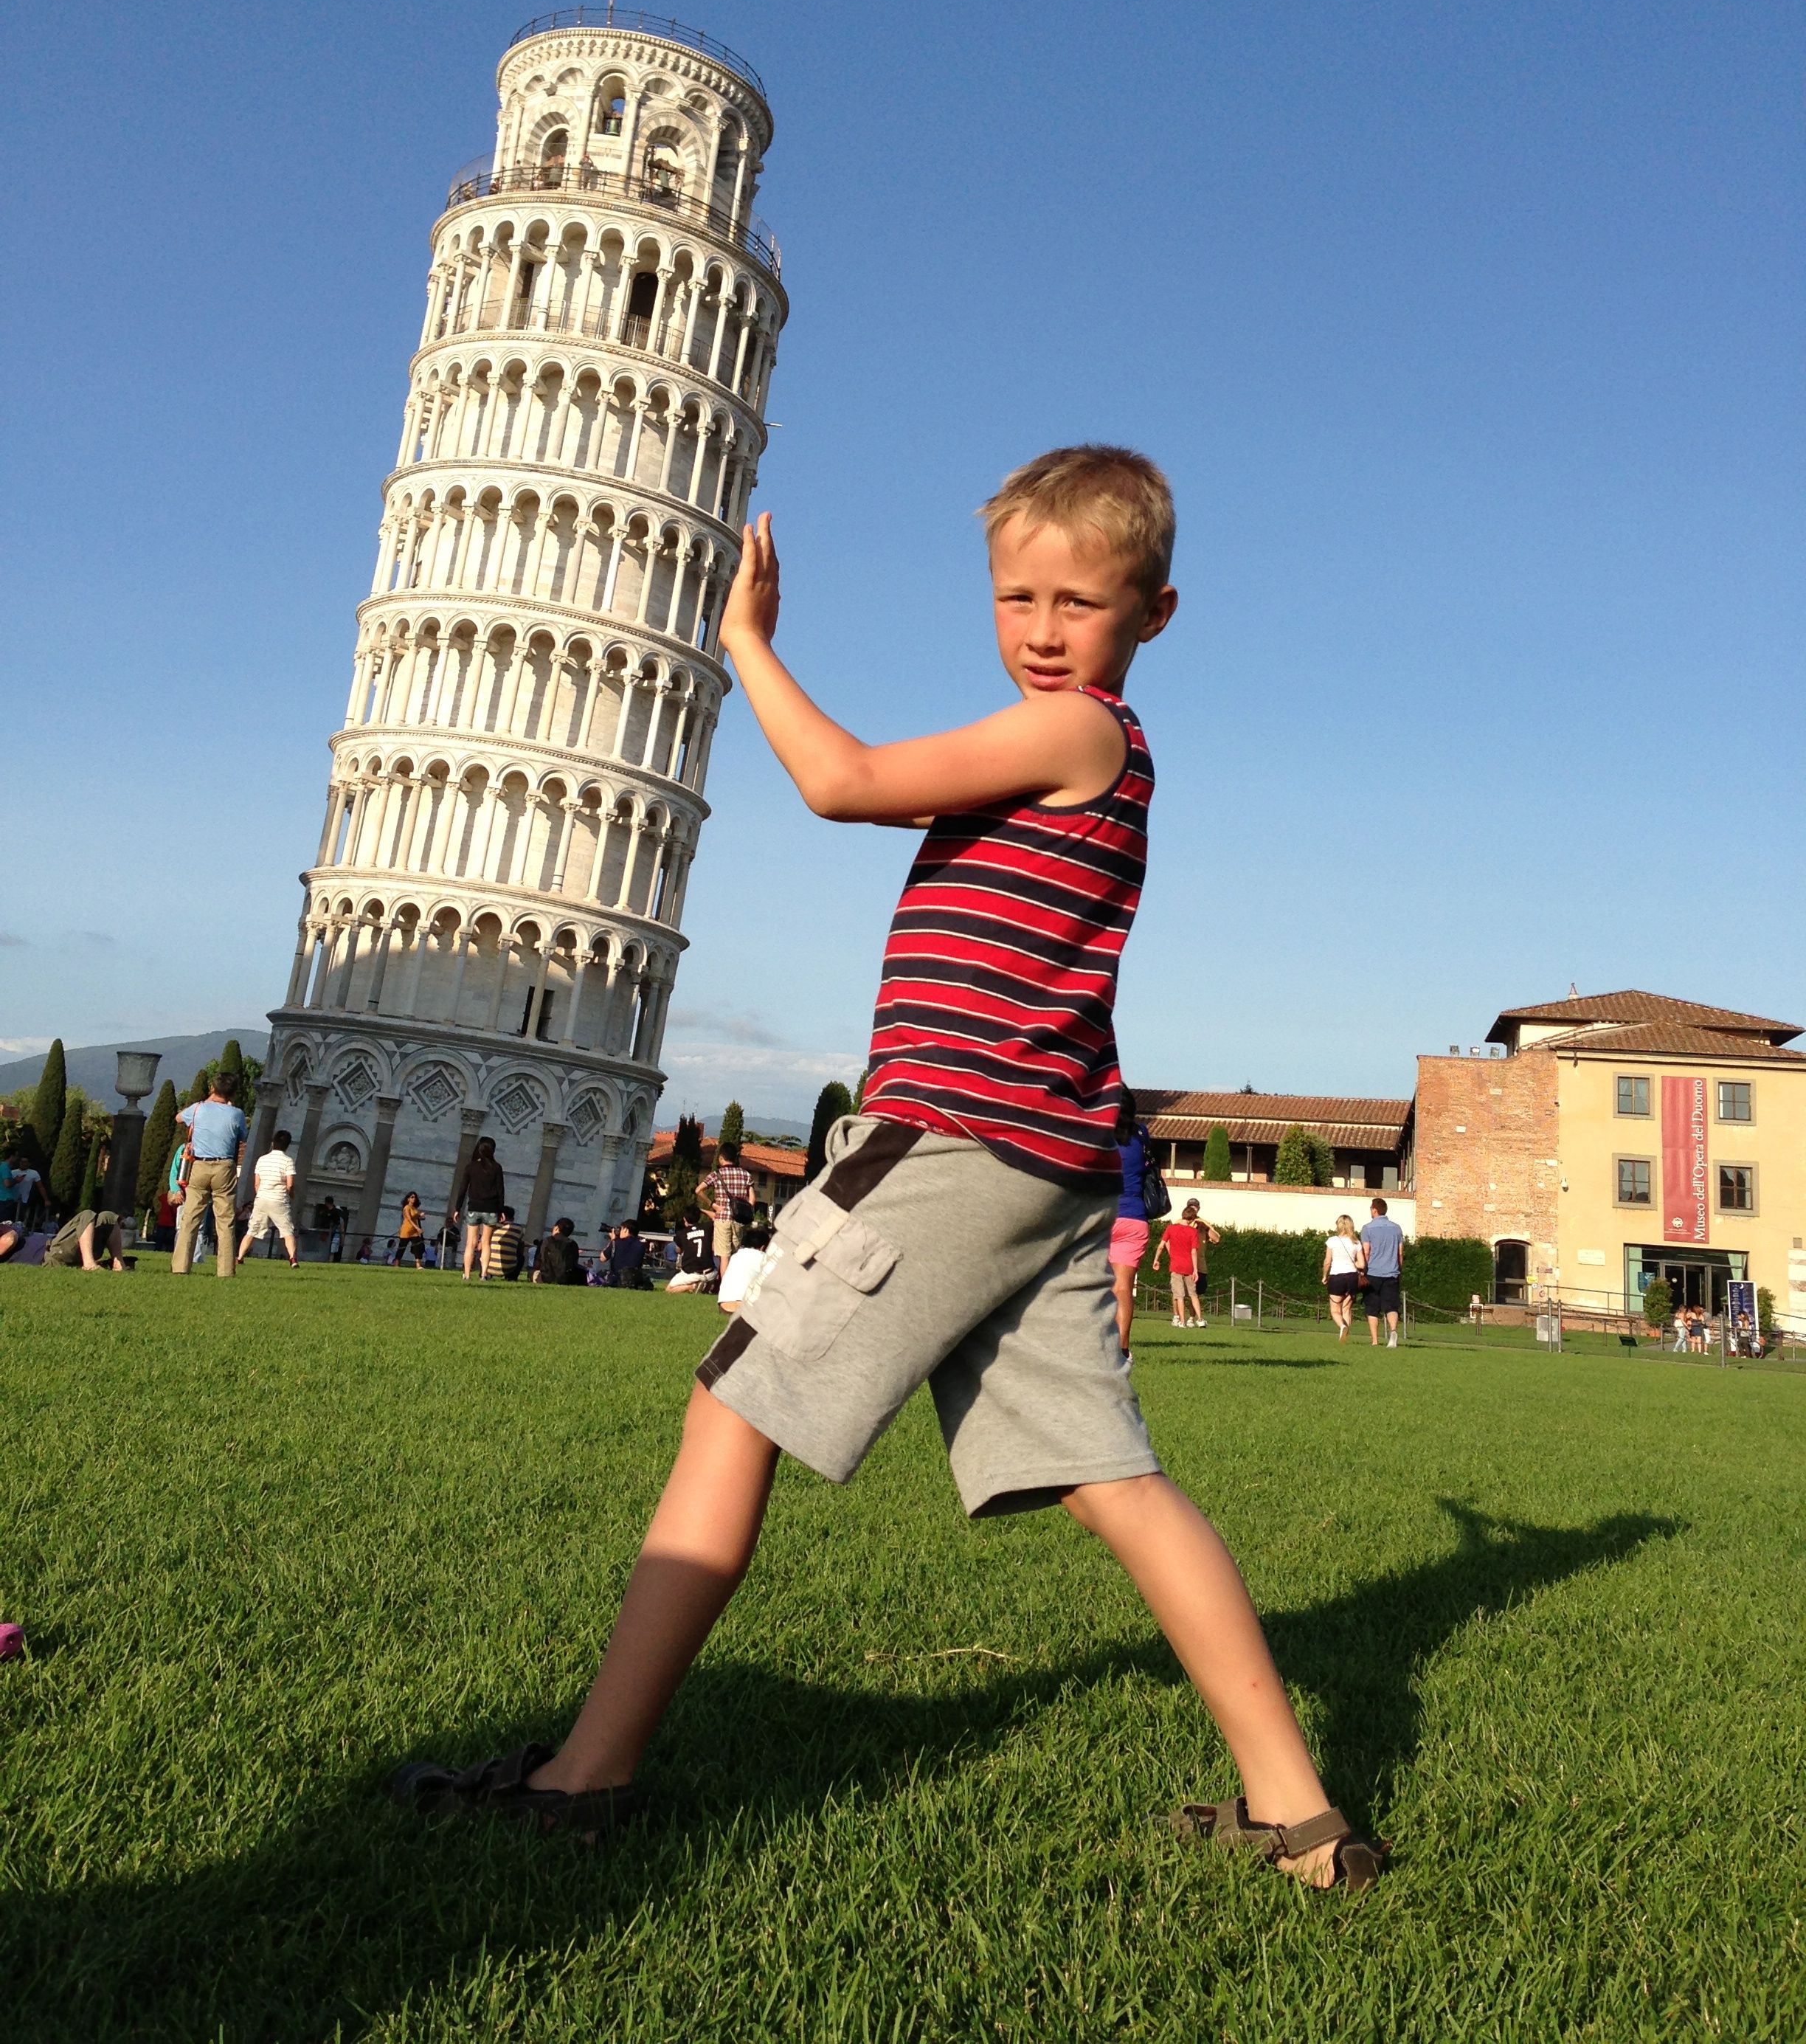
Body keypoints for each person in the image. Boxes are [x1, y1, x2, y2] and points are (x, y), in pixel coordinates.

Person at [392, 447, 1380, 1888]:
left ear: (1153, 614)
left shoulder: (1074, 733)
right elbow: (906, 799)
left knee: (728, 1408)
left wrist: (743, 641)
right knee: (1113, 1479)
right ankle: (1299, 1813)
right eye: (1016, 596)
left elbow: (842, 781)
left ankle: (584, 1776)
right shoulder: (1080, 755)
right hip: (1049, 1162)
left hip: (953, 1138)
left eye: (1079, 602)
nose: (1042, 627)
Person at [173, 1072, 247, 1279]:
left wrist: (206, 1101)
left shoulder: (198, 1109)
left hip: (199, 1165)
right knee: (225, 1221)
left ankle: (181, 1267)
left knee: (190, 1219)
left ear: (213, 1088)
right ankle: (225, 1271)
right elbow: (243, 1136)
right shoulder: (237, 1114)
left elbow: (178, 1118)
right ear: (233, 1092)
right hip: (224, 1167)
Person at [1107, 1094, 1152, 1358]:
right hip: (1134, 1218)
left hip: (1102, 1216)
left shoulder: (1098, 1135)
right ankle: (1122, 1350)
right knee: (1123, 1287)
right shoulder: (1141, 1134)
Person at [238, 1128, 302, 1268]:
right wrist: (291, 1195)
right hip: (279, 1200)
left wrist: (260, 1195)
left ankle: (240, 1257)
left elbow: (257, 1183)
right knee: (287, 1231)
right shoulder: (288, 1161)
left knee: (252, 1230)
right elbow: (290, 1185)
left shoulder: (262, 1160)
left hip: (262, 1198)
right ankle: (293, 1259)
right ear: (287, 1145)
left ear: (273, 1143)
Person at [453, 1136, 505, 1280]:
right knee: (487, 1243)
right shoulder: (497, 1168)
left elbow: (463, 1189)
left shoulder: (471, 1167)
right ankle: (484, 1274)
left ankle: (467, 1274)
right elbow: (501, 1191)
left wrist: (458, 1208)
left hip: (474, 1207)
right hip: (491, 1209)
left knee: (471, 1243)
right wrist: (501, 1210)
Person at [699, 1142, 755, 1279]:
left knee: (724, 1257)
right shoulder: (746, 1175)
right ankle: (733, 1285)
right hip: (738, 1220)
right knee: (734, 1256)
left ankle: (724, 1287)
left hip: (722, 1218)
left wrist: (713, 1205)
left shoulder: (716, 1174)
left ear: (721, 1158)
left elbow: (698, 1190)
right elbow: (752, 1199)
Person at [1360, 1196, 1405, 1347]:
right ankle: (1393, 1331)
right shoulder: (1396, 1228)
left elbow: (1366, 1252)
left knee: (1372, 1307)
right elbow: (1400, 1253)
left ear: (1375, 1210)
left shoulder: (1367, 1228)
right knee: (1391, 1306)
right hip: (1392, 1273)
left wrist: (1362, 1270)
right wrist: (1399, 1270)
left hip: (1373, 1273)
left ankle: (1375, 1340)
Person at [1160, 1199, 1212, 1328]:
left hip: (1177, 1266)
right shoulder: (1193, 1231)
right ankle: (1199, 1319)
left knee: (1179, 1295)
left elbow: (1163, 1244)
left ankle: (1181, 1321)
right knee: (1193, 1295)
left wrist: (1161, 1258)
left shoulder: (1172, 1228)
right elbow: (1194, 1252)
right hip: (1190, 1266)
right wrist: (1195, 1270)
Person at [1321, 1215, 1363, 1342]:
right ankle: (1345, 1337)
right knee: (1346, 1309)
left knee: (1335, 1310)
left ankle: (1342, 1326)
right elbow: (1362, 1265)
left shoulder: (1332, 1241)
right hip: (1352, 1278)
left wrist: (1324, 1276)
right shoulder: (1356, 1242)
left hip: (1337, 1277)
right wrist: (1352, 1263)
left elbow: (1327, 1262)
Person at [45, 1209, 128, 1270]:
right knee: (87, 1215)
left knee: (109, 1216)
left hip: (77, 1259)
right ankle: (89, 1264)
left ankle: (119, 1264)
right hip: (56, 1254)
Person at [482, 1206, 524, 1282]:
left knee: (486, 1246)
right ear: (513, 1218)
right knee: (520, 1253)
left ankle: (484, 1273)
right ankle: (512, 1277)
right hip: (509, 1268)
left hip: (489, 1267)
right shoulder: (518, 1228)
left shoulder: (492, 1227)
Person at [397, 1190, 426, 1267]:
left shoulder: (415, 1208)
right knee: (402, 1247)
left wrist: (422, 1216)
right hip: (407, 1230)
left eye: (415, 1197)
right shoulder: (407, 1207)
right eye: (412, 1197)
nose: (414, 1199)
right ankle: (397, 1263)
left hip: (414, 1232)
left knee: (418, 1246)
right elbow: (409, 1219)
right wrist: (418, 1228)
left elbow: (418, 1217)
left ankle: (418, 1265)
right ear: (408, 1199)